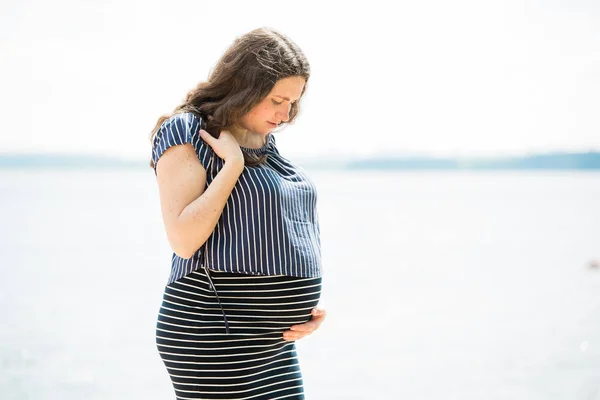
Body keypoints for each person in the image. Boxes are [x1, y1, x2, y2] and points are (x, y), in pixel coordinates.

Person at [149, 27, 327, 399]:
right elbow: (183, 240)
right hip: (215, 333)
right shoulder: (187, 131)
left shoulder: (265, 144)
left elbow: (268, 232)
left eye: (293, 103)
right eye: (278, 100)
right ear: (246, 86)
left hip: (272, 344)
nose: (286, 113)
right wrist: (231, 167)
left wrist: (301, 310)